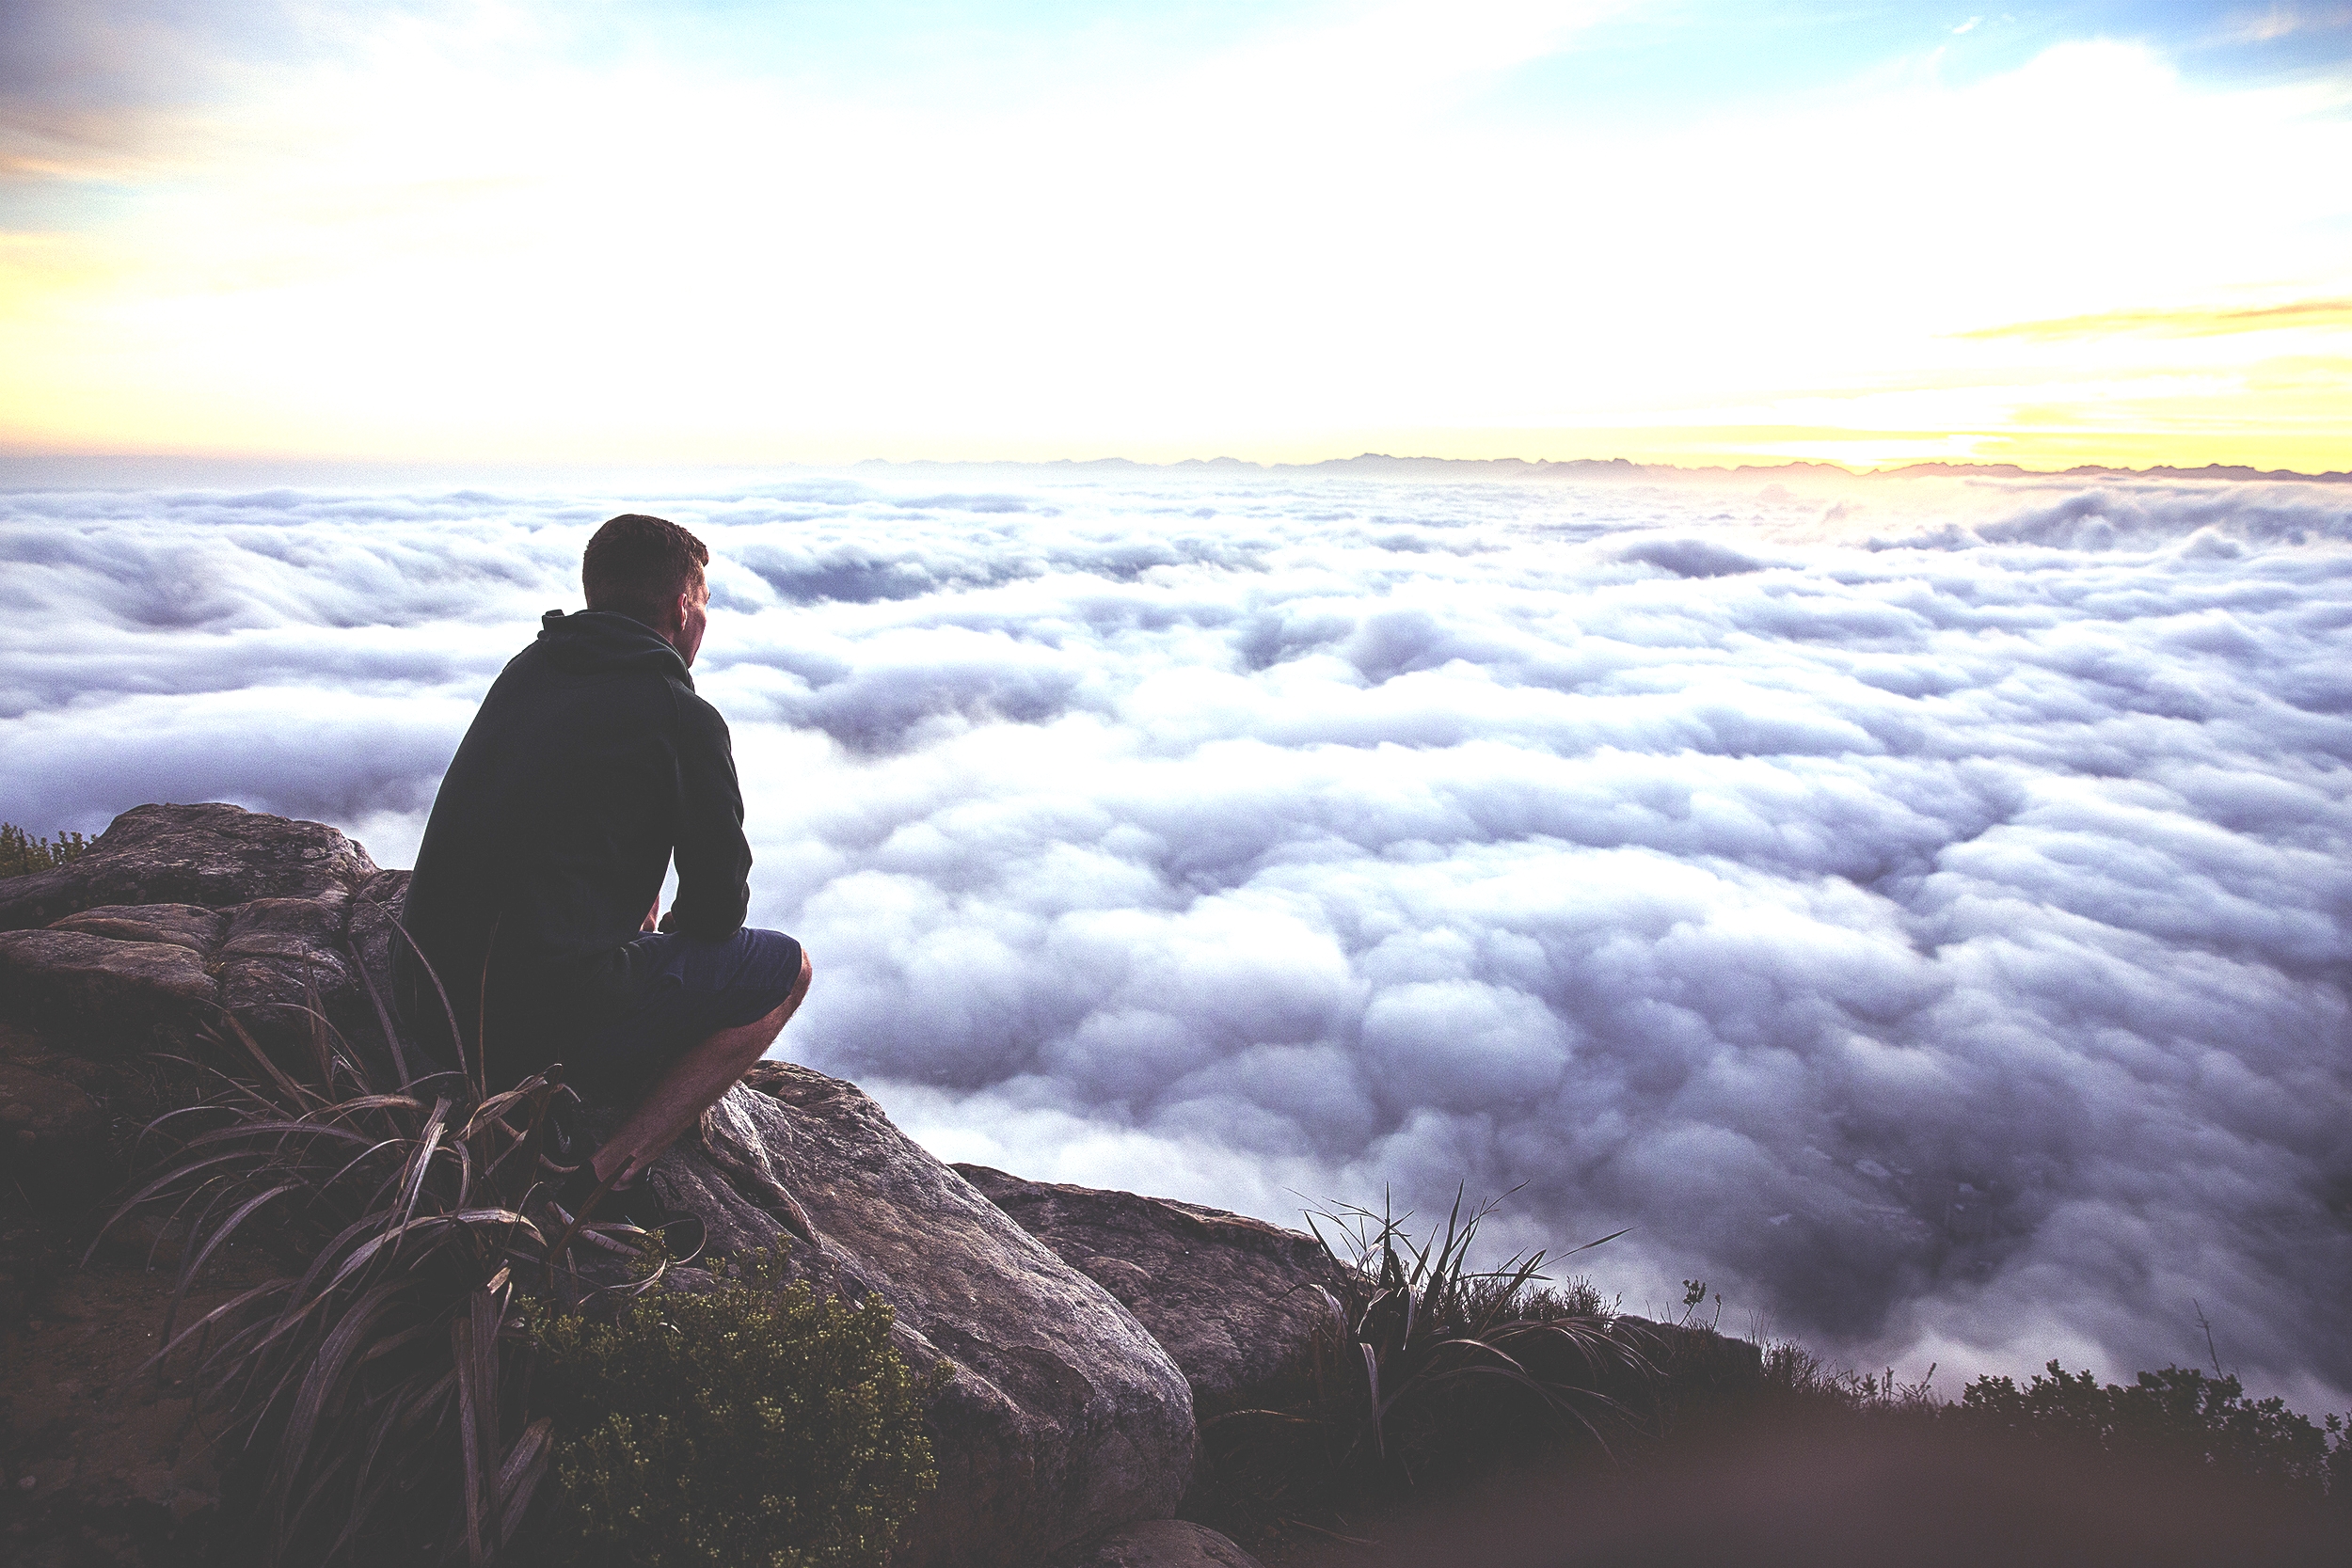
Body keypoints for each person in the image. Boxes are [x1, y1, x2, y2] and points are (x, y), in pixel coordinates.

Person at [395, 513, 810, 1247]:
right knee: (786, 970)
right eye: (704, 601)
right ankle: (595, 1181)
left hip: (428, 1000)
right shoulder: (682, 717)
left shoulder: (530, 667)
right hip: (537, 1024)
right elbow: (719, 909)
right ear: (683, 610)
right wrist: (664, 934)